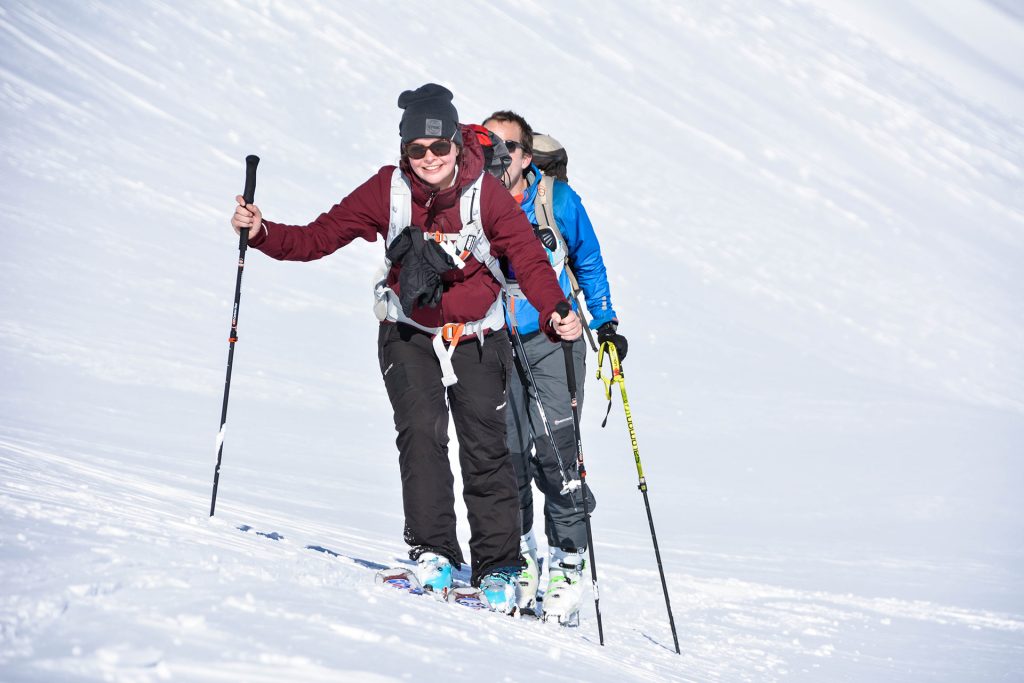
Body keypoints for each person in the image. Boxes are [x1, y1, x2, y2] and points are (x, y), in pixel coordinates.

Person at [230, 84, 581, 614]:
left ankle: (500, 570)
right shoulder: (387, 191)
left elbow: (529, 260)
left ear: (458, 148)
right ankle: (433, 554)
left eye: (440, 148)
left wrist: (556, 308)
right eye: (417, 149)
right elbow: (319, 236)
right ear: (403, 151)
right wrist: (262, 233)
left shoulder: (484, 194)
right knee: (420, 434)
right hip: (407, 330)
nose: (430, 159)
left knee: (485, 450)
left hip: (476, 334)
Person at [483, 111, 627, 623]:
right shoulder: (471, 202)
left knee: (557, 452)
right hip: (493, 341)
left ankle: (569, 561)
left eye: (505, 148)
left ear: (525, 156)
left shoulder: (557, 201)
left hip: (554, 340)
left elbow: (587, 261)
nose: (494, 156)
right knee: (506, 452)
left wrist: (605, 322)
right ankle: (521, 553)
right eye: (484, 144)